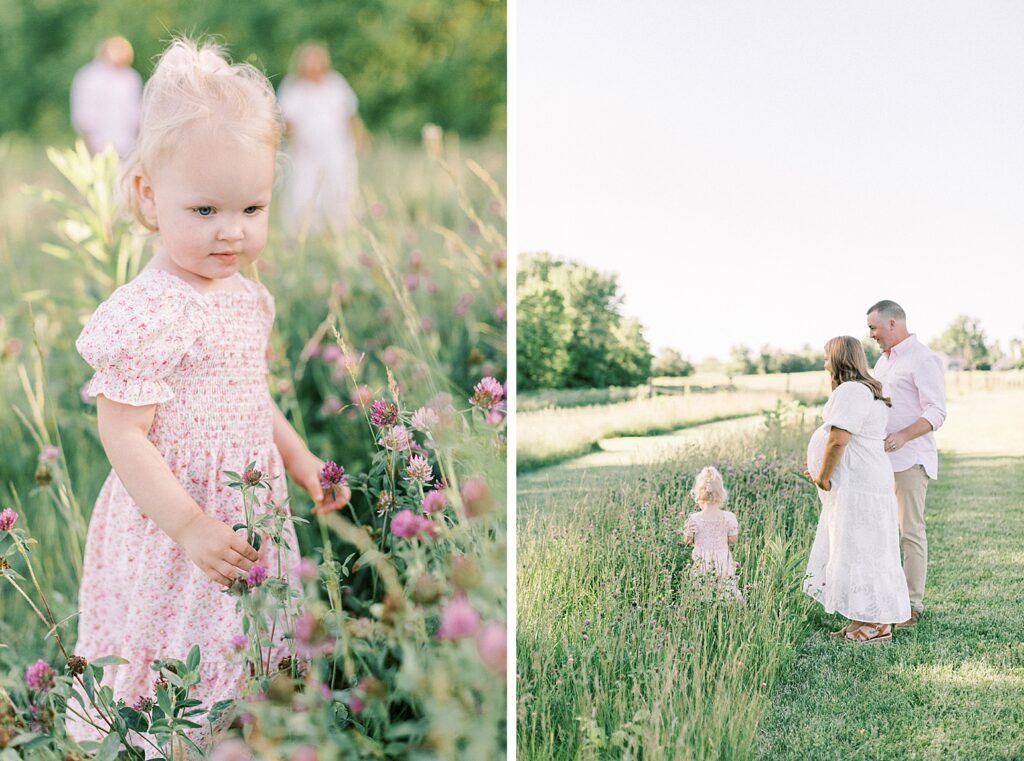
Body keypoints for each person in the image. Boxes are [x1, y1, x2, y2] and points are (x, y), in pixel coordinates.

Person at [70, 38, 349, 750]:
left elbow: (252, 400)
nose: (233, 230)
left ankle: (240, 728)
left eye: (252, 206)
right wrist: (189, 525)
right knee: (175, 662)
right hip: (174, 527)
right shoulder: (147, 309)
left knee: (247, 647)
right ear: (148, 197)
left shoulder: (246, 298)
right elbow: (123, 433)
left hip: (247, 508)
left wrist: (302, 459)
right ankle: (171, 735)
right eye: (204, 210)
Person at [803, 336, 911, 643]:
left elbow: (839, 439)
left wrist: (822, 476)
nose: (824, 364)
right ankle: (860, 617)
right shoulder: (868, 389)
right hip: (863, 482)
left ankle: (877, 624)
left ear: (838, 360)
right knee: (856, 547)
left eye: (826, 358)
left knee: (865, 550)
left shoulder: (851, 390)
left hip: (859, 485)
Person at [866, 300, 947, 628]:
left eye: (874, 327)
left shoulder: (922, 358)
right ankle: (887, 598)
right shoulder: (882, 362)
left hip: (910, 459)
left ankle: (912, 606)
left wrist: (903, 435)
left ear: (893, 324)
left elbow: (936, 411)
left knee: (909, 532)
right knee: (882, 532)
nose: (871, 334)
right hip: (879, 461)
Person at [277, 42, 361, 237]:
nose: (313, 66)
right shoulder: (294, 87)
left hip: (336, 148)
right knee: (304, 192)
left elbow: (350, 113)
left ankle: (339, 231)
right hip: (306, 152)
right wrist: (294, 142)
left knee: (339, 187)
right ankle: (304, 233)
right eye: (309, 61)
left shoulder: (335, 83)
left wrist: (360, 136)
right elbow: (287, 120)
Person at [70, 36, 144, 158]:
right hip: (98, 144)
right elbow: (84, 115)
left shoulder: (131, 78)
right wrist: (89, 146)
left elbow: (136, 113)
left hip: (128, 146)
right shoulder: (89, 77)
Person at [682, 465, 742, 601]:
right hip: (723, 561)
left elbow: (688, 540)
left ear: (698, 494)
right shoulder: (728, 517)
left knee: (702, 591)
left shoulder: (694, 518)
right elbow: (732, 539)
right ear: (721, 494)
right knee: (727, 591)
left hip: (702, 562)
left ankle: (706, 612)